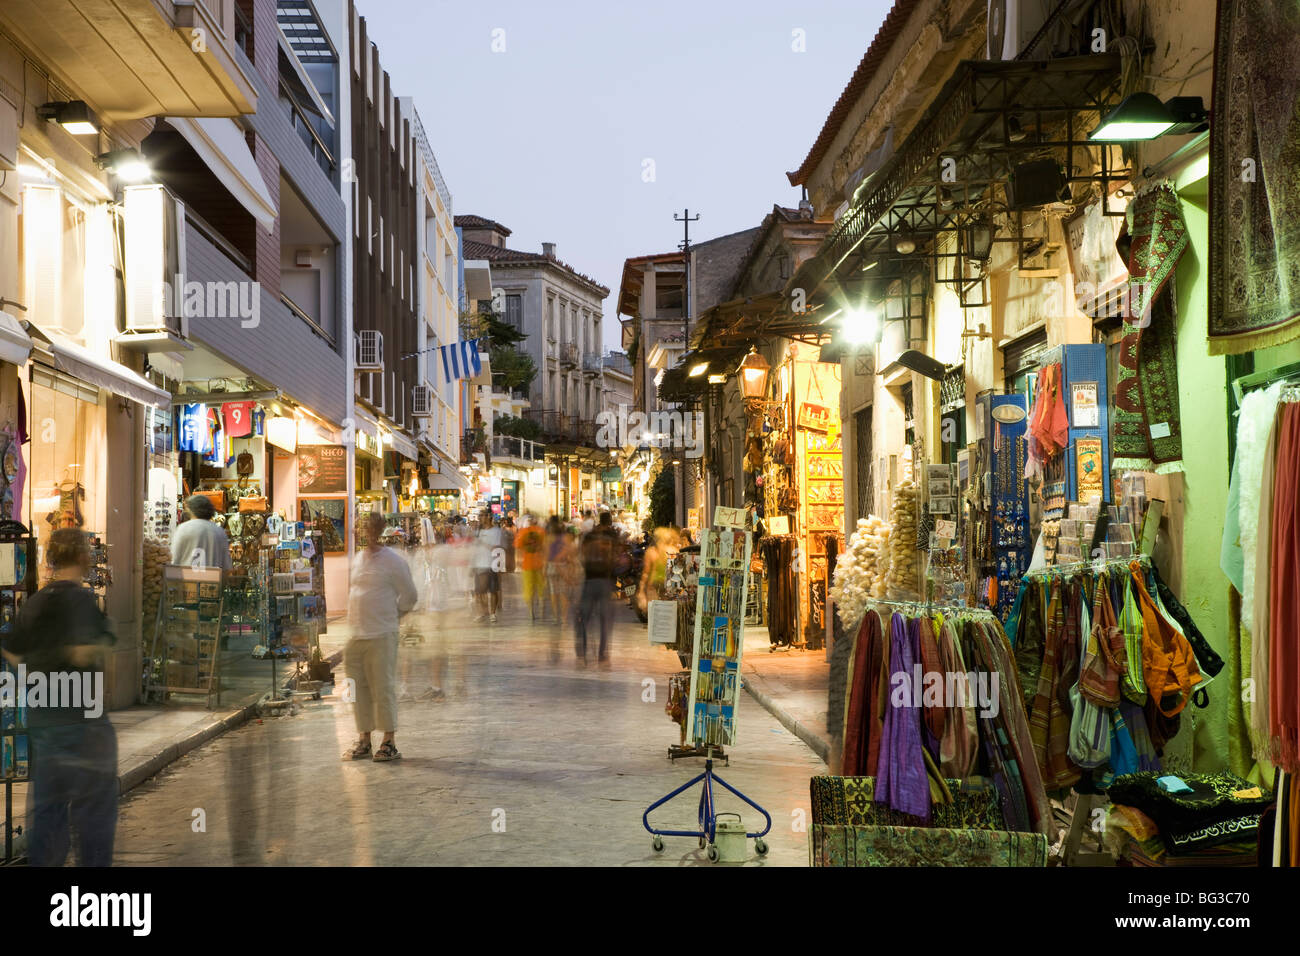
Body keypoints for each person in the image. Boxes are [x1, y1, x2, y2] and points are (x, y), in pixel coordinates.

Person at [3, 529, 117, 866]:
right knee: (94, 818)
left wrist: (38, 668)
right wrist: (102, 641)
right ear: (83, 557)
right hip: (84, 726)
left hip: (46, 728)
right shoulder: (81, 601)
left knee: (48, 819)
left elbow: (11, 653)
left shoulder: (34, 603)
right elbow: (83, 653)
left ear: (50, 558)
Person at [343, 511, 418, 762]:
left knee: (382, 687)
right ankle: (364, 737)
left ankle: (389, 741)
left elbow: (410, 595)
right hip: (356, 635)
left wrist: (392, 616)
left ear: (379, 530)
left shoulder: (393, 561)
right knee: (357, 688)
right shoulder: (357, 559)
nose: (365, 534)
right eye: (361, 529)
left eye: (369, 529)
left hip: (382, 634)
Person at [575, 512, 619, 664]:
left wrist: (586, 568)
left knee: (584, 618)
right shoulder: (612, 536)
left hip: (589, 580)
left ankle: (582, 653)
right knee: (605, 620)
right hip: (605, 582)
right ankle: (602, 654)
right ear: (610, 521)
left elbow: (581, 556)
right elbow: (616, 557)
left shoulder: (589, 536)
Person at [170, 494, 232, 571]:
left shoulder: (183, 529)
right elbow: (226, 567)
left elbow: (174, 560)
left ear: (191, 510)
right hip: (212, 581)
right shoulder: (219, 532)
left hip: (187, 580)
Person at [472, 513, 504, 623]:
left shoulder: (496, 531)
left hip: (491, 563)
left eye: (482, 515)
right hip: (479, 564)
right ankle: (483, 612)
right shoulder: (477, 532)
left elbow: (496, 548)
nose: (480, 518)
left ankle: (492, 613)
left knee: (493, 590)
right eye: (479, 516)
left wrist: (482, 543)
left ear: (488, 517)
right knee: (479, 591)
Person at [514, 514, 547, 622]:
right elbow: (545, 547)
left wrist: (517, 561)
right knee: (541, 587)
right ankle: (542, 610)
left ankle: (531, 612)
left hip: (527, 564)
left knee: (529, 588)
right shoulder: (541, 532)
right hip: (539, 563)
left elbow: (518, 547)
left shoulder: (523, 532)